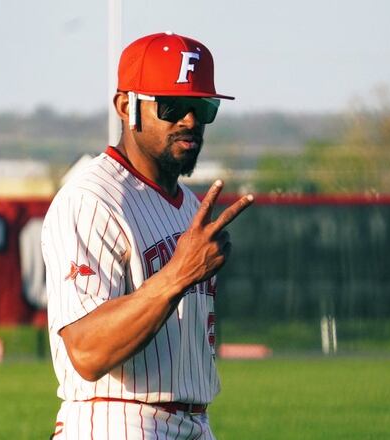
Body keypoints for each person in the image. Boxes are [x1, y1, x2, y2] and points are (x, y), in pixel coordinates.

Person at [41, 32, 253, 440]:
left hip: (194, 419)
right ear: (126, 106)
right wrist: (179, 273)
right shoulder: (91, 199)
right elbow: (86, 351)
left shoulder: (191, 206)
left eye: (201, 107)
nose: (189, 120)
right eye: (172, 106)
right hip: (116, 420)